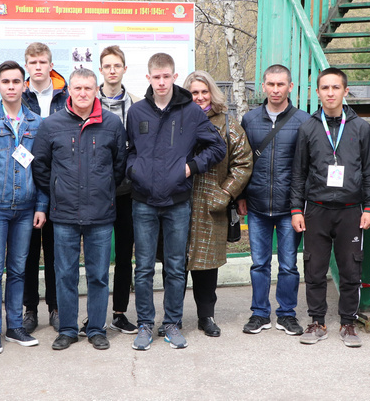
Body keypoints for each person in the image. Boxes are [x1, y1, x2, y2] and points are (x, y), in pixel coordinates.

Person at [126, 53, 226, 350]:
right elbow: (129, 151)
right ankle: (145, 324)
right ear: (148, 78)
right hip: (143, 201)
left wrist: (190, 167)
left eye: (166, 76)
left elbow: (217, 147)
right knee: (144, 267)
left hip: (177, 201)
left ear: (174, 76)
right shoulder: (137, 112)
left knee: (174, 266)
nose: (161, 82)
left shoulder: (191, 112)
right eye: (156, 77)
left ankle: (172, 323)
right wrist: (134, 170)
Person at [32, 68, 127, 351]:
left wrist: (104, 189)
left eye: (88, 88)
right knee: (65, 275)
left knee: (98, 275)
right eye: (78, 88)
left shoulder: (112, 124)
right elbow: (40, 165)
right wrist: (58, 191)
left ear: (96, 90)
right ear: (69, 91)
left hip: (100, 214)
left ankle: (96, 328)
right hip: (64, 215)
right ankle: (68, 329)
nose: (83, 93)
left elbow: (119, 166)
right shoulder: (52, 125)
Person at [290, 67, 370, 347]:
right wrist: (296, 209)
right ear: (317, 92)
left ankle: (348, 323)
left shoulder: (361, 128)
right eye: (325, 88)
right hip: (316, 209)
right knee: (314, 269)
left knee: (351, 269)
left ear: (345, 91)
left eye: (335, 87)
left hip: (351, 210)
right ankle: (317, 321)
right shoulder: (308, 128)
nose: (330, 93)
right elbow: (299, 173)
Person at [0, 61, 47, 354]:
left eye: (16, 81)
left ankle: (15, 326)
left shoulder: (37, 123)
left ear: (24, 85)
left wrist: (41, 205)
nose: (11, 87)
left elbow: (42, 168)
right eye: (5, 82)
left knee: (18, 269)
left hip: (26, 208)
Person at [237, 64, 310, 336]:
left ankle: (287, 314)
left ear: (290, 87)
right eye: (271, 84)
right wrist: (241, 195)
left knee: (289, 265)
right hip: (256, 206)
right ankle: (259, 313)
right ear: (263, 86)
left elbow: (306, 167)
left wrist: (299, 205)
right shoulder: (249, 119)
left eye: (281, 84)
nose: (275, 89)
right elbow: (241, 162)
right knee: (259, 264)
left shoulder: (303, 121)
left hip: (290, 207)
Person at [184, 70, 252, 337]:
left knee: (207, 266)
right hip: (178, 204)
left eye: (204, 92)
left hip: (211, 206)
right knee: (175, 264)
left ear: (212, 94)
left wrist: (225, 193)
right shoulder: (177, 120)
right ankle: (172, 317)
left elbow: (243, 162)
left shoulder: (227, 124)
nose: (200, 97)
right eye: (194, 92)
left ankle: (206, 316)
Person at [22, 42, 68, 333]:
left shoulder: (65, 96)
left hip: (59, 184)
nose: (38, 67)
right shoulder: (19, 94)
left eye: (42, 62)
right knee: (27, 253)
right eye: (33, 62)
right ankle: (29, 309)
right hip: (26, 183)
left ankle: (55, 306)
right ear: (26, 66)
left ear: (51, 65)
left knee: (54, 252)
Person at [93, 45, 139, 335]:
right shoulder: (88, 101)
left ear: (124, 69)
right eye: (107, 66)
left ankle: (120, 313)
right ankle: (93, 316)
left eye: (117, 65)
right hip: (96, 193)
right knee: (96, 257)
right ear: (101, 70)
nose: (112, 70)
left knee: (124, 256)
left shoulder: (136, 104)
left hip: (127, 193)